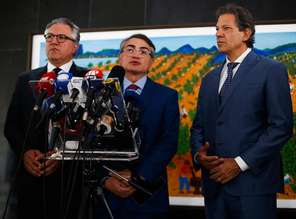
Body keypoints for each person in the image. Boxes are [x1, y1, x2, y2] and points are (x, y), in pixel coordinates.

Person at [190, 3, 293, 219]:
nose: (218, 34)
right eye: (216, 29)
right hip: (214, 188)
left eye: (226, 28)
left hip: (253, 188)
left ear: (246, 33)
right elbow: (199, 126)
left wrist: (239, 164)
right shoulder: (209, 79)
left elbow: (281, 128)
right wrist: (199, 156)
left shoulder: (271, 71)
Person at [4, 17, 88, 219]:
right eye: (49, 37)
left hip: (70, 179)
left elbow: (91, 130)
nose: (54, 41)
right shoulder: (26, 79)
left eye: (61, 37)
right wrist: (25, 153)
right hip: (31, 175)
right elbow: (12, 126)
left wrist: (62, 155)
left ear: (75, 47)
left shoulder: (88, 79)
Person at [97, 34, 180, 219]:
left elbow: (168, 142)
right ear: (120, 57)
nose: (136, 54)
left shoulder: (167, 96)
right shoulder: (100, 94)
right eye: (130, 49)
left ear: (151, 62)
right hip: (104, 196)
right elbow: (88, 143)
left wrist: (136, 177)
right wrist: (105, 179)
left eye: (144, 51)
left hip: (146, 195)